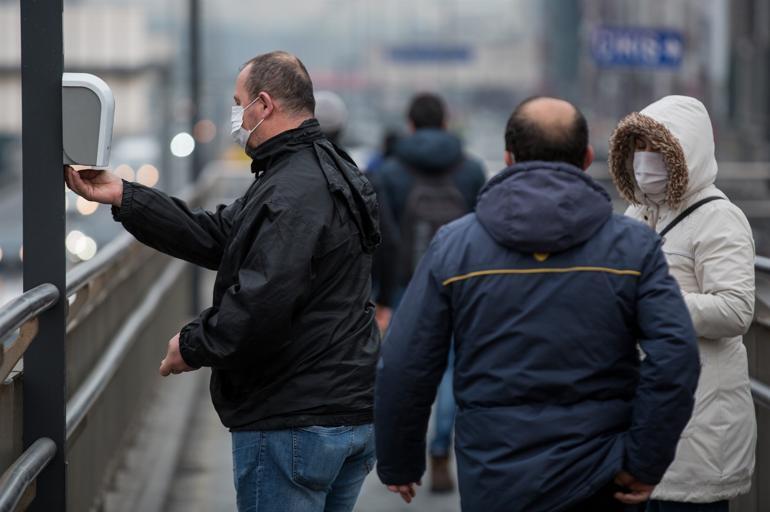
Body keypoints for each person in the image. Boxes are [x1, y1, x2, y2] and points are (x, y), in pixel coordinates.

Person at [64, 51, 381, 512]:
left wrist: (192, 345)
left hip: (292, 419)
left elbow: (261, 303)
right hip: (346, 408)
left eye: (238, 102)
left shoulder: (291, 190)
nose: (235, 114)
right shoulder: (326, 170)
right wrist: (126, 196)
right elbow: (220, 236)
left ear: (264, 105)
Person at [374, 96, 701, 511]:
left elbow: (406, 362)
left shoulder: (456, 247)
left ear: (508, 158)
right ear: (586, 157)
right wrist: (644, 460)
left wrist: (400, 460)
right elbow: (676, 355)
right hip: (601, 476)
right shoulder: (633, 248)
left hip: (494, 477)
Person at [608, 95, 756, 512]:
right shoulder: (637, 214)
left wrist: (656, 305)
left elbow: (736, 310)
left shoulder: (719, 218)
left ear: (684, 151)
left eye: (656, 148)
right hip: (645, 417)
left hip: (701, 417)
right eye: (637, 147)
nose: (644, 159)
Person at [376, 92, 487, 492]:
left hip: (409, 283)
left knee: (406, 366)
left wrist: (382, 296)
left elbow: (382, 241)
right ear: (445, 122)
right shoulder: (472, 169)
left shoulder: (389, 172)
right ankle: (441, 447)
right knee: (454, 368)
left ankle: (404, 451)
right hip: (464, 281)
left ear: (409, 124)